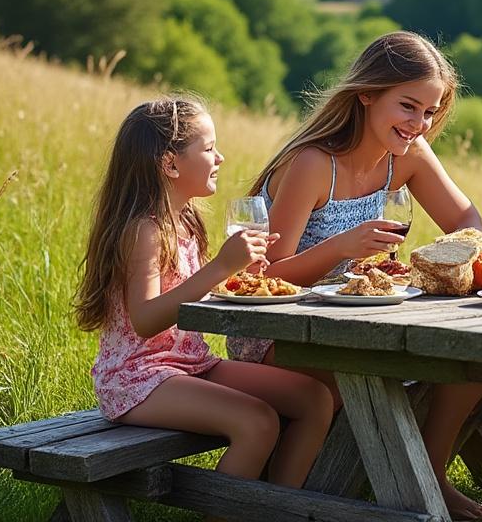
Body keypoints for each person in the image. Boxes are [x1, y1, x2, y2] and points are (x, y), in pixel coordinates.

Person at [228, 31, 482, 520]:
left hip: (360, 325)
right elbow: (267, 276)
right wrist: (341, 249)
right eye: (408, 106)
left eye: (430, 112)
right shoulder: (312, 163)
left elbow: (468, 222)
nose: (419, 124)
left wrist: (444, 259)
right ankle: (305, 502)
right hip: (279, 333)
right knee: (374, 381)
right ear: (367, 94)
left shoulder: (407, 155)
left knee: (477, 362)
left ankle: (428, 480)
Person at [74, 97, 333, 488]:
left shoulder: (187, 220)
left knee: (315, 399)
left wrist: (240, 277)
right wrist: (220, 268)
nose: (220, 158)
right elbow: (144, 320)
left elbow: (191, 291)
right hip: (138, 377)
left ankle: (278, 508)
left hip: (191, 362)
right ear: (170, 163)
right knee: (257, 422)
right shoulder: (143, 229)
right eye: (209, 149)